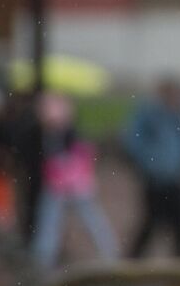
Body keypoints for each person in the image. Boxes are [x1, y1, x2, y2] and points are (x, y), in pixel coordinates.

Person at [31, 92, 119, 269]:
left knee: (60, 223)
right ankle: (42, 262)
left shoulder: (65, 137)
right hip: (66, 187)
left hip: (70, 187)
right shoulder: (57, 136)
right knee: (53, 225)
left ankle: (111, 257)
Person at [123, 79, 180, 258]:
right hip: (156, 181)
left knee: (179, 228)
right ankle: (129, 267)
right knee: (151, 224)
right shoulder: (150, 115)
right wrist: (150, 165)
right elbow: (133, 143)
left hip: (177, 180)